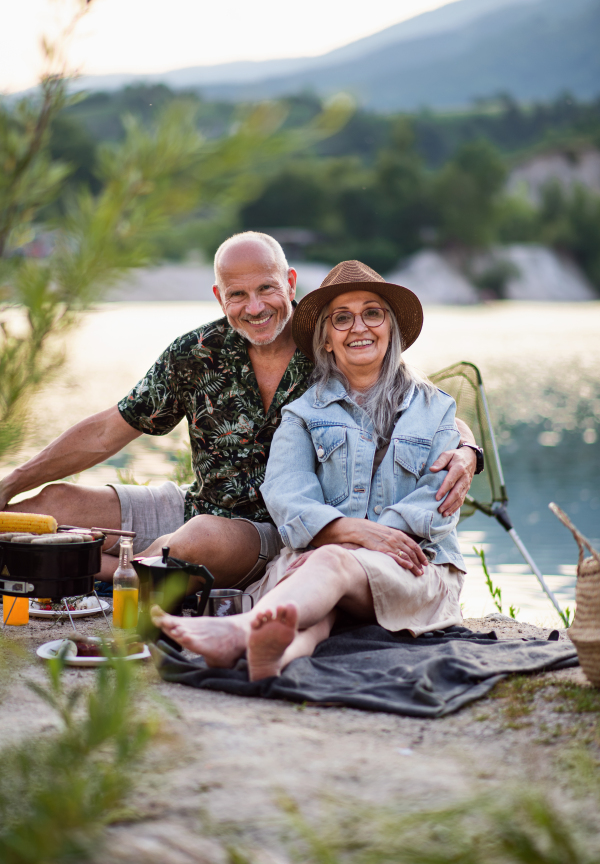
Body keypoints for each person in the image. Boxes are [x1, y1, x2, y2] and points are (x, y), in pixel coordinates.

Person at [0, 234, 478, 590]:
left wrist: (466, 447)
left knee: (195, 542)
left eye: (267, 289)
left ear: (290, 283)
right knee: (52, 505)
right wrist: (12, 481)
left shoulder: (331, 344)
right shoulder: (197, 353)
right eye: (237, 295)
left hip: (285, 530)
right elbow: (109, 430)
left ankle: (93, 575)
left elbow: (413, 403)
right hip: (195, 503)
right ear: (219, 296)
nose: (255, 308)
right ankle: (88, 567)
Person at [154, 260, 466, 681]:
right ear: (328, 340)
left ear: (391, 328)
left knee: (331, 564)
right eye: (342, 319)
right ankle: (275, 658)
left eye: (372, 313)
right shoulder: (302, 413)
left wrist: (359, 542)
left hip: (415, 569)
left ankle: (238, 631)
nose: (359, 327)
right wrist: (351, 533)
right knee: (315, 611)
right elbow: (285, 494)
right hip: (325, 567)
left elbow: (438, 502)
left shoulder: (436, 409)